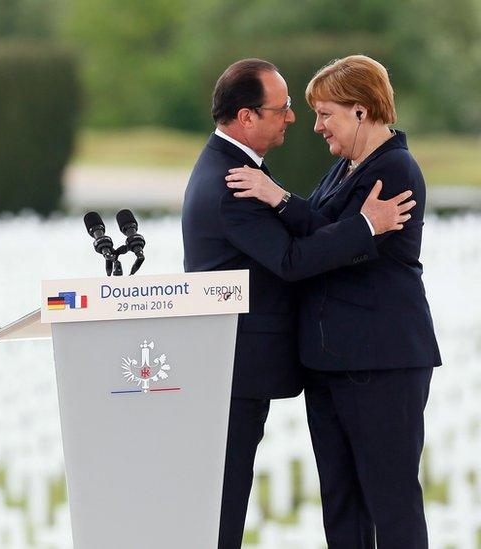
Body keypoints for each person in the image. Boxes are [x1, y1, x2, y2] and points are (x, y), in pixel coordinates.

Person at [180, 58, 415, 548]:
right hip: (281, 361)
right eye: (285, 109)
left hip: (376, 355)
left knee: (388, 500)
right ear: (246, 117)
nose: (301, 121)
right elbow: (297, 253)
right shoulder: (240, 182)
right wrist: (301, 205)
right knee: (267, 498)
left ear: (359, 111)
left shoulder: (390, 168)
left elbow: (310, 241)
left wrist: (282, 198)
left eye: (321, 112)